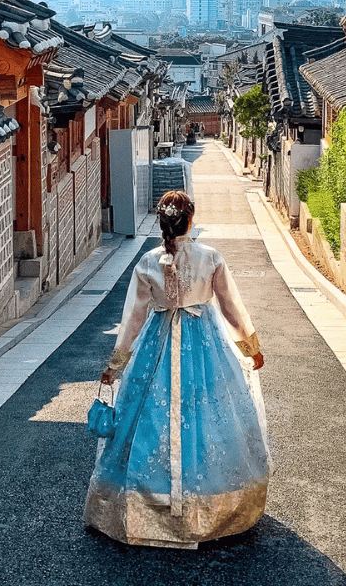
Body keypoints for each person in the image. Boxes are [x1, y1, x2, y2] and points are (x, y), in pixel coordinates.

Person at [83, 190, 270, 549]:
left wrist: (116, 365)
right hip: (205, 345)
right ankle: (210, 504)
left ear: (161, 221)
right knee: (209, 416)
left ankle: (143, 506)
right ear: (191, 219)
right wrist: (250, 346)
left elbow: (133, 319)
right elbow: (231, 307)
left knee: (148, 416)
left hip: (157, 344)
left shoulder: (148, 262)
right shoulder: (210, 257)